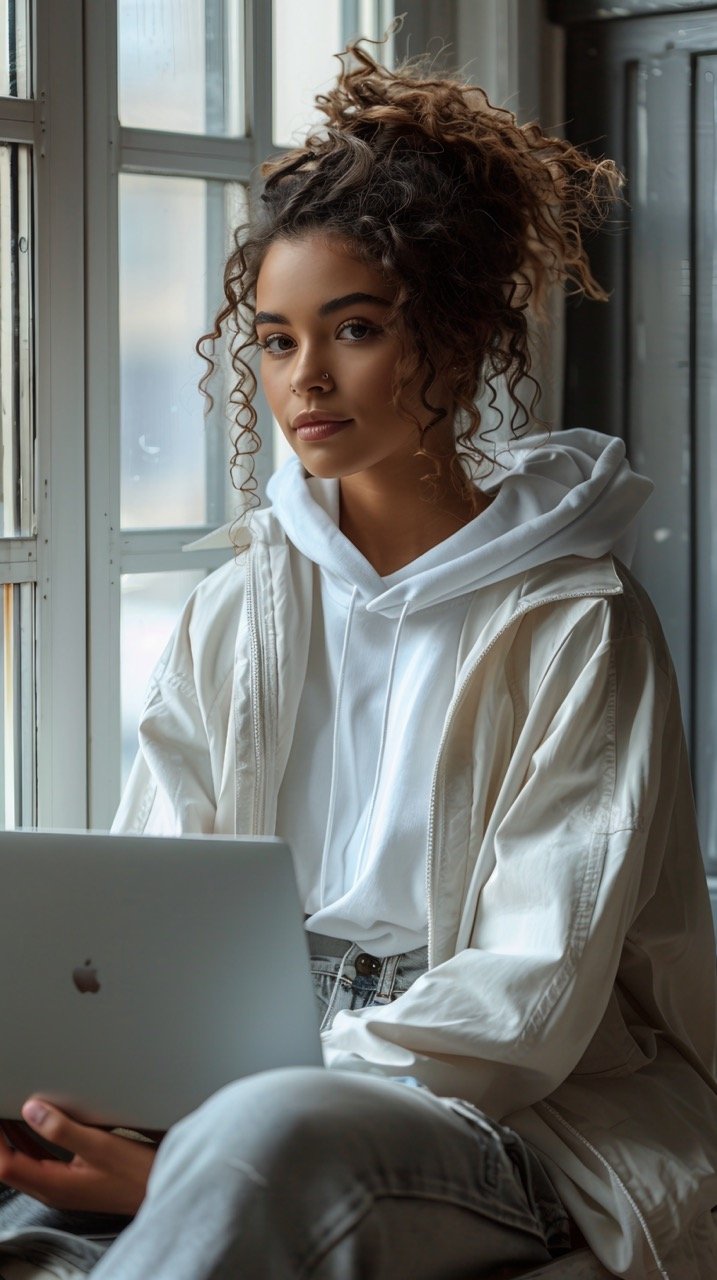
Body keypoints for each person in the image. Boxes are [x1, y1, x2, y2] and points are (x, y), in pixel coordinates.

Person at [1, 37, 716, 1280]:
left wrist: (217, 1121)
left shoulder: (580, 621)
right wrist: (123, 1083)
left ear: (456, 337)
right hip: (228, 1077)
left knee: (266, 1136)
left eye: (356, 328)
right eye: (274, 340)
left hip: (503, 1109)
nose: (305, 379)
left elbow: (529, 1000)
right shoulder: (241, 607)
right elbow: (143, 897)